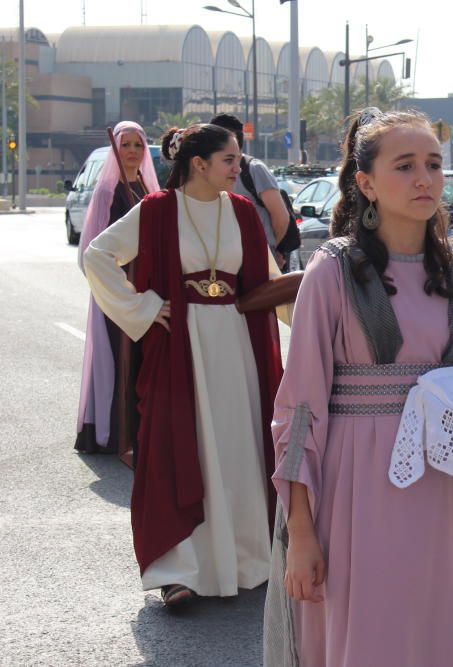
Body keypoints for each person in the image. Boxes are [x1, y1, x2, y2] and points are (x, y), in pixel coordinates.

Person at [262, 108, 453, 666]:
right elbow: (298, 412)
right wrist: (301, 533)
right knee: (373, 636)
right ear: (365, 182)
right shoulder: (332, 271)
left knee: (444, 632)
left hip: (443, 491)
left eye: (434, 164)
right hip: (358, 489)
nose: (424, 178)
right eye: (405, 165)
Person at [83, 123, 285, 607]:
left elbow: (270, 280)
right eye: (230, 160)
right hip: (181, 346)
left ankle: (243, 559)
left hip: (237, 346)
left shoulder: (240, 212)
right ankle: (181, 570)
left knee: (236, 446)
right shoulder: (156, 211)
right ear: (200, 163)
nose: (240, 169)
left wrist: (324, 320)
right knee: (180, 446)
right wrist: (145, 309)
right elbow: (98, 256)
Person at [75, 121, 160, 460]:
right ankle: (114, 433)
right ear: (115, 149)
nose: (133, 152)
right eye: (126, 144)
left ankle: (142, 428)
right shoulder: (108, 191)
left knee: (142, 358)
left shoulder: (148, 190)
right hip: (118, 291)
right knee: (118, 357)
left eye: (139, 145)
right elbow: (91, 251)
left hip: (145, 289)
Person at [209, 113, 291, 268]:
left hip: (256, 263)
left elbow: (281, 217)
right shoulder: (208, 171)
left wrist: (267, 247)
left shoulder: (254, 169)